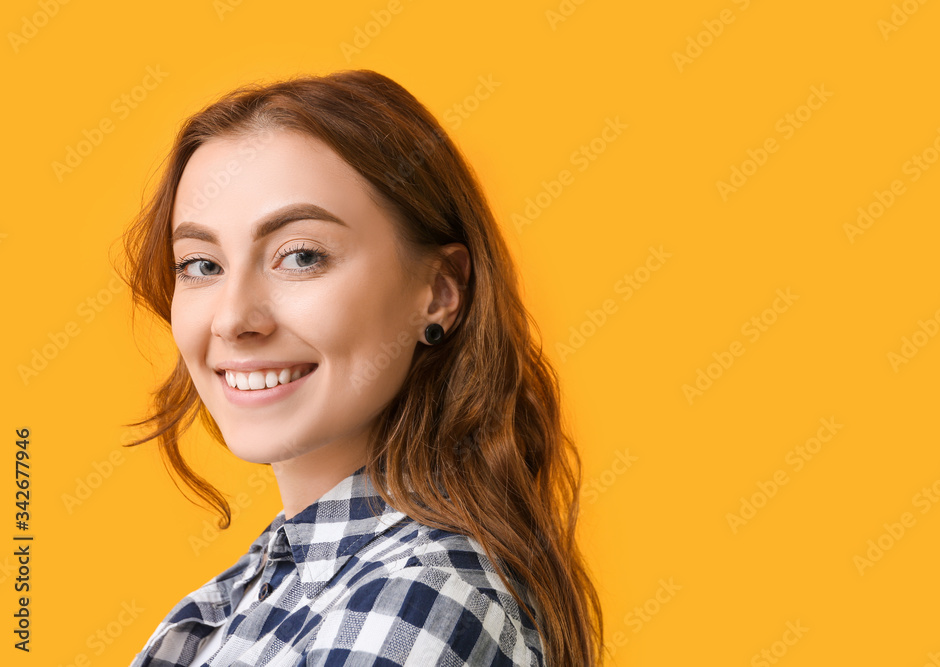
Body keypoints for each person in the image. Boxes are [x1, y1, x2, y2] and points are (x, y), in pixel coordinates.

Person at [118, 69, 602, 666]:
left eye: (300, 256)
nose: (233, 318)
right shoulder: (247, 595)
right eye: (199, 264)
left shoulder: (417, 601)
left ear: (439, 290)